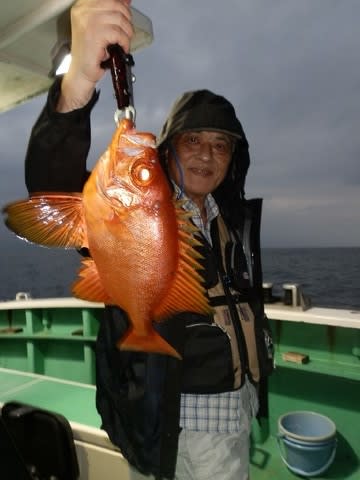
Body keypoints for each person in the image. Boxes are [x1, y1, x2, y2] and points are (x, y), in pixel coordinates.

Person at [24, 1, 274, 479]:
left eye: (220, 145)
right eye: (192, 140)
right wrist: (78, 82)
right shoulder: (134, 204)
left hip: (231, 407)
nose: (207, 155)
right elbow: (51, 188)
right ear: (169, 148)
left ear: (233, 159)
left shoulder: (233, 218)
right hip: (162, 409)